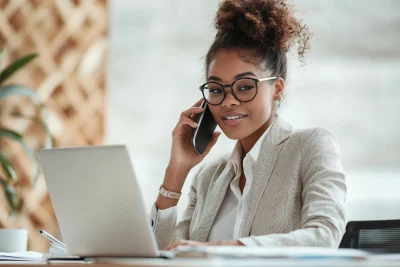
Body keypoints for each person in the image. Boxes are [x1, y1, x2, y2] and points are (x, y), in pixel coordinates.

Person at [150, 0, 346, 250]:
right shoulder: (208, 177)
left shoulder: (310, 146)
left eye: (245, 86)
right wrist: (176, 172)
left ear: (276, 89)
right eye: (216, 89)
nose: (228, 101)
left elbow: (325, 235)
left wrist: (227, 249)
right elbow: (161, 256)